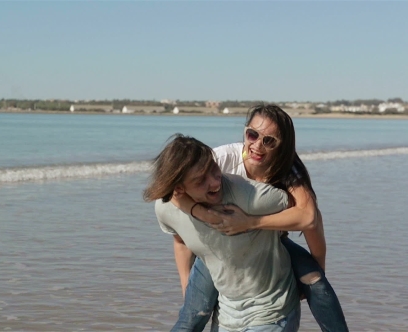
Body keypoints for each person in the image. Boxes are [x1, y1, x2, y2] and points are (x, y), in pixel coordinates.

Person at [170, 104, 349, 332]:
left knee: (318, 284)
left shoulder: (287, 169)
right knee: (191, 316)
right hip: (221, 243)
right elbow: (173, 194)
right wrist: (202, 214)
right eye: (252, 135)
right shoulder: (221, 160)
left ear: (282, 147)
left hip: (270, 241)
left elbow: (310, 218)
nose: (257, 145)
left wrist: (250, 222)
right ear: (245, 132)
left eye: (269, 141)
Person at [143, 134, 301, 332]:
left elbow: (302, 210)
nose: (215, 181)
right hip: (227, 315)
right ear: (179, 189)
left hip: (271, 312)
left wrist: (253, 222)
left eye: (213, 168)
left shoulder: (248, 196)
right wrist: (187, 288)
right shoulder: (165, 209)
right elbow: (181, 241)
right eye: (201, 180)